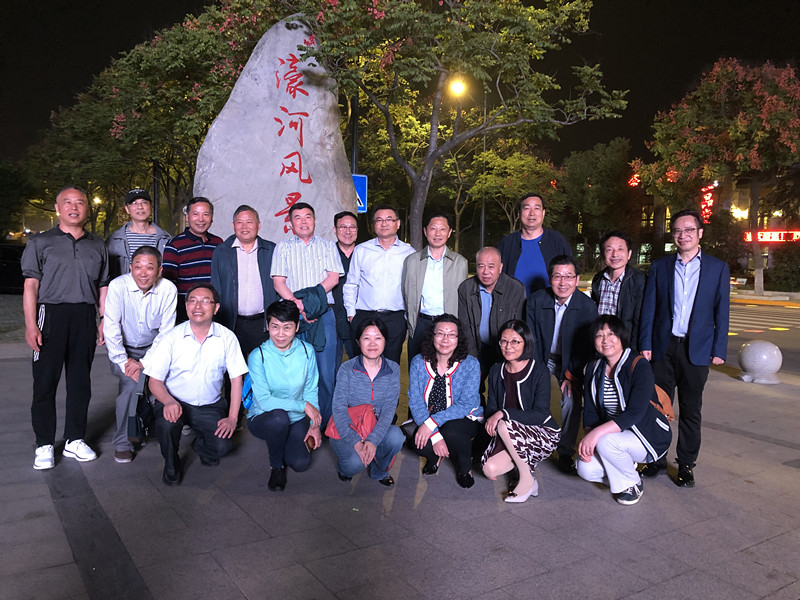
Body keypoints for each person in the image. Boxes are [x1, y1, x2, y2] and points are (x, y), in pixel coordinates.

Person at [639, 209, 730, 487]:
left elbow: (722, 311)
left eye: (689, 230)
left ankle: (686, 465)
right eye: (677, 230)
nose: (683, 235)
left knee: (691, 410)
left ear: (700, 233)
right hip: (663, 347)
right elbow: (650, 307)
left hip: (696, 350)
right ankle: (655, 458)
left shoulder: (717, 268)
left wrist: (719, 349)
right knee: (657, 406)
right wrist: (645, 343)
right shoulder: (660, 266)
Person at [22, 186, 109, 469]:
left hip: (84, 316)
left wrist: (104, 320)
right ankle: (44, 444)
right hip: (51, 315)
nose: (74, 207)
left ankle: (75, 439)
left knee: (80, 382)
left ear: (87, 208)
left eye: (80, 202)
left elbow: (103, 286)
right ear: (58, 208)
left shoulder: (97, 245)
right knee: (45, 383)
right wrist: (31, 325)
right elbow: (31, 285)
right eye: (67, 202)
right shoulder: (41, 242)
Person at [143, 283, 248, 485]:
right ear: (186, 305)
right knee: (166, 424)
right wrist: (168, 402)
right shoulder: (171, 337)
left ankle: (201, 446)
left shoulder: (227, 337)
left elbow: (236, 380)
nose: (198, 306)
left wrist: (232, 418)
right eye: (193, 301)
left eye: (205, 301)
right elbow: (154, 381)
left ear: (216, 308)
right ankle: (171, 462)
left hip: (210, 405)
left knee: (223, 446)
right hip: (175, 401)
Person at [578, 315, 672, 505]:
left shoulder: (639, 365)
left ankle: (632, 483)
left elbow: (635, 413)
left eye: (611, 334)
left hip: (647, 435)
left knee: (606, 441)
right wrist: (589, 437)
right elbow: (590, 411)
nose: (605, 340)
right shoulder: (593, 368)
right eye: (599, 335)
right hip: (614, 437)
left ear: (622, 336)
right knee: (585, 468)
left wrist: (596, 435)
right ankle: (623, 465)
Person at [270, 202, 344, 428]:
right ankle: (299, 422)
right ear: (291, 223)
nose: (303, 221)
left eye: (307, 216)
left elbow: (333, 278)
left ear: (315, 220)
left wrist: (311, 305)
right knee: (296, 372)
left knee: (326, 372)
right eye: (298, 217)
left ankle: (324, 423)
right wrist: (299, 307)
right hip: (292, 318)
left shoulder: (328, 246)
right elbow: (278, 282)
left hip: (324, 315)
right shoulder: (282, 248)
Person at [103, 246, 177, 463]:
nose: (143, 273)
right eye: (138, 267)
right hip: (123, 350)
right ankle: (123, 443)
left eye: (150, 268)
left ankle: (150, 428)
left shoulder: (168, 289)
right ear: (130, 268)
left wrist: (144, 363)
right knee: (131, 386)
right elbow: (111, 328)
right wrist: (124, 362)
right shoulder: (118, 286)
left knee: (160, 384)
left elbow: (166, 333)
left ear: (159, 270)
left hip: (154, 349)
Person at [526, 255, 597, 474]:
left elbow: (586, 348)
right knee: (530, 395)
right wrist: (535, 371)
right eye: (557, 276)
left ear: (577, 279)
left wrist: (571, 373)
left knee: (570, 400)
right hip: (542, 357)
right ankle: (531, 446)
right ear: (550, 279)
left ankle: (565, 451)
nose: (563, 282)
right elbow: (531, 339)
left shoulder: (587, 306)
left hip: (570, 363)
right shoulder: (536, 301)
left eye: (568, 276)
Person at [246, 300, 322, 492]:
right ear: (267, 326)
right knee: (279, 418)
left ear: (297, 327)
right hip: (265, 416)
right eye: (275, 327)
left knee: (300, 463)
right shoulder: (258, 356)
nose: (280, 334)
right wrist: (303, 406)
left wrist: (314, 425)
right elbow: (264, 401)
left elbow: (311, 389)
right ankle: (276, 466)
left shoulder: (307, 351)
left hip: (296, 418)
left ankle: (281, 439)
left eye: (287, 327)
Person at [482, 320, 561, 503]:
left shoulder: (539, 371)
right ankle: (525, 467)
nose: (508, 346)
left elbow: (541, 414)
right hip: (506, 432)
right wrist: (495, 419)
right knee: (489, 468)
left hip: (542, 432)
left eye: (515, 341)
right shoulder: (496, 370)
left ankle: (527, 480)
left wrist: (504, 413)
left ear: (526, 343)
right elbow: (492, 407)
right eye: (503, 341)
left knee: (504, 423)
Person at [408, 314, 483, 488]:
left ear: (458, 339)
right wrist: (434, 436)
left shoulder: (470, 364)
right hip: (430, 415)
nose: (445, 339)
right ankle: (435, 456)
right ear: (432, 336)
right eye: (440, 333)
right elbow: (416, 402)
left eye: (451, 335)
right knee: (419, 442)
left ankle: (465, 468)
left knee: (452, 432)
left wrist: (430, 424)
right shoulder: (418, 362)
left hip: (463, 417)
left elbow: (466, 405)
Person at [330, 318, 404, 486]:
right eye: (366, 338)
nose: (372, 343)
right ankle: (344, 469)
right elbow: (339, 409)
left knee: (396, 437)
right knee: (354, 464)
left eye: (378, 338)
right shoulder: (347, 368)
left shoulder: (393, 369)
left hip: (374, 426)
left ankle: (379, 472)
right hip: (348, 427)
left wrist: (372, 441)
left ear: (385, 341)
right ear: (358, 341)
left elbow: (389, 410)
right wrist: (356, 441)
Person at [343, 205, 415, 364]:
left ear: (398, 223)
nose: (384, 223)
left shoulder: (409, 254)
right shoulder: (362, 250)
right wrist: (352, 315)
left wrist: (405, 318)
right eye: (379, 220)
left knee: (391, 364)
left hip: (395, 319)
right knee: (361, 365)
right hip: (364, 316)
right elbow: (351, 284)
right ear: (373, 225)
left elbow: (412, 289)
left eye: (389, 219)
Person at [210, 205, 277, 359]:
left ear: (259, 225)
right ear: (233, 226)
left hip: (263, 323)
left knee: (263, 366)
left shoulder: (271, 250)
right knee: (232, 368)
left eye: (249, 222)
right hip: (232, 323)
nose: (244, 227)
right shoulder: (221, 251)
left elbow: (280, 285)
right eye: (239, 222)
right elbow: (216, 287)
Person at [402, 213, 468, 360]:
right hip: (420, 323)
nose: (437, 234)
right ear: (425, 231)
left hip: (448, 326)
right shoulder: (411, 261)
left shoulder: (460, 263)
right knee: (417, 366)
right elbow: (405, 291)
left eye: (442, 229)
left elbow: (463, 298)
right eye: (433, 229)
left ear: (449, 233)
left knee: (446, 367)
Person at [458, 246, 527, 379]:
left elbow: (519, 328)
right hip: (477, 348)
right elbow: (464, 327)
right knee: (473, 384)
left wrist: (512, 359)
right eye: (481, 266)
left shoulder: (516, 288)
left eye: (491, 266)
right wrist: (472, 359)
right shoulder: (465, 288)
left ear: (500, 267)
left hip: (506, 350)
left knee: (502, 387)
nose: (485, 272)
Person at [497, 193, 572, 295]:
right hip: (513, 303)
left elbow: (570, 275)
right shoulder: (507, 243)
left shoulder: (557, 241)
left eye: (536, 208)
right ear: (519, 213)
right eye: (527, 208)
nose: (532, 213)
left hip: (548, 303)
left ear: (543, 213)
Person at [162, 196, 223, 322]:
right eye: (195, 214)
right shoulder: (174, 245)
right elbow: (168, 284)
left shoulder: (218, 243)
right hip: (186, 312)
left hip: (214, 310)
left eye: (205, 214)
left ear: (212, 218)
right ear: (187, 217)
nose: (201, 219)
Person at [590, 230, 646, 352]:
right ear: (602, 254)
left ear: (629, 254)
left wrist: (636, 350)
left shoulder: (639, 280)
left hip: (625, 345)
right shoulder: (598, 279)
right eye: (609, 250)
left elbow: (640, 319)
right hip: (601, 345)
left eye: (620, 249)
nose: (615, 254)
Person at [106, 188, 171, 279]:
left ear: (151, 206)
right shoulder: (115, 240)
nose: (140, 207)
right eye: (134, 203)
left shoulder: (165, 239)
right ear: (127, 209)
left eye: (144, 202)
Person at [331, 211, 359, 365]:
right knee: (330, 368)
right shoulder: (327, 253)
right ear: (335, 230)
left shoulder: (364, 253)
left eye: (352, 227)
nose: (348, 231)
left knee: (360, 367)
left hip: (357, 320)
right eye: (343, 227)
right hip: (332, 320)